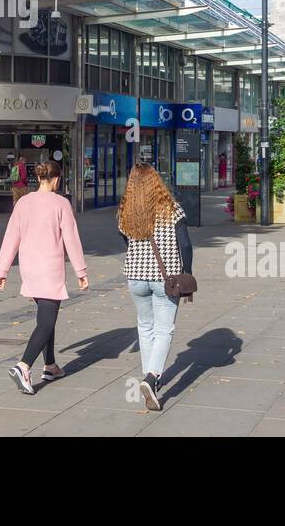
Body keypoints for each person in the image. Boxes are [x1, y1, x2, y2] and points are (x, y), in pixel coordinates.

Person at [0, 161, 88, 395]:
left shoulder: (23, 203)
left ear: (39, 179)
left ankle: (50, 366)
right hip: (50, 270)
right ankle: (23, 366)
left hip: (30, 269)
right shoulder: (61, 204)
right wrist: (81, 272)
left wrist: (2, 270)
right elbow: (71, 240)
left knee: (47, 318)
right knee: (46, 322)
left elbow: (11, 237)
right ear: (56, 180)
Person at [117, 163, 192, 411]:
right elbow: (186, 245)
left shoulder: (125, 212)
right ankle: (151, 377)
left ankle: (150, 378)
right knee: (164, 330)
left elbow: (125, 240)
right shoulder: (173, 210)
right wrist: (187, 272)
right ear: (157, 183)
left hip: (136, 278)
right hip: (166, 279)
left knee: (145, 327)